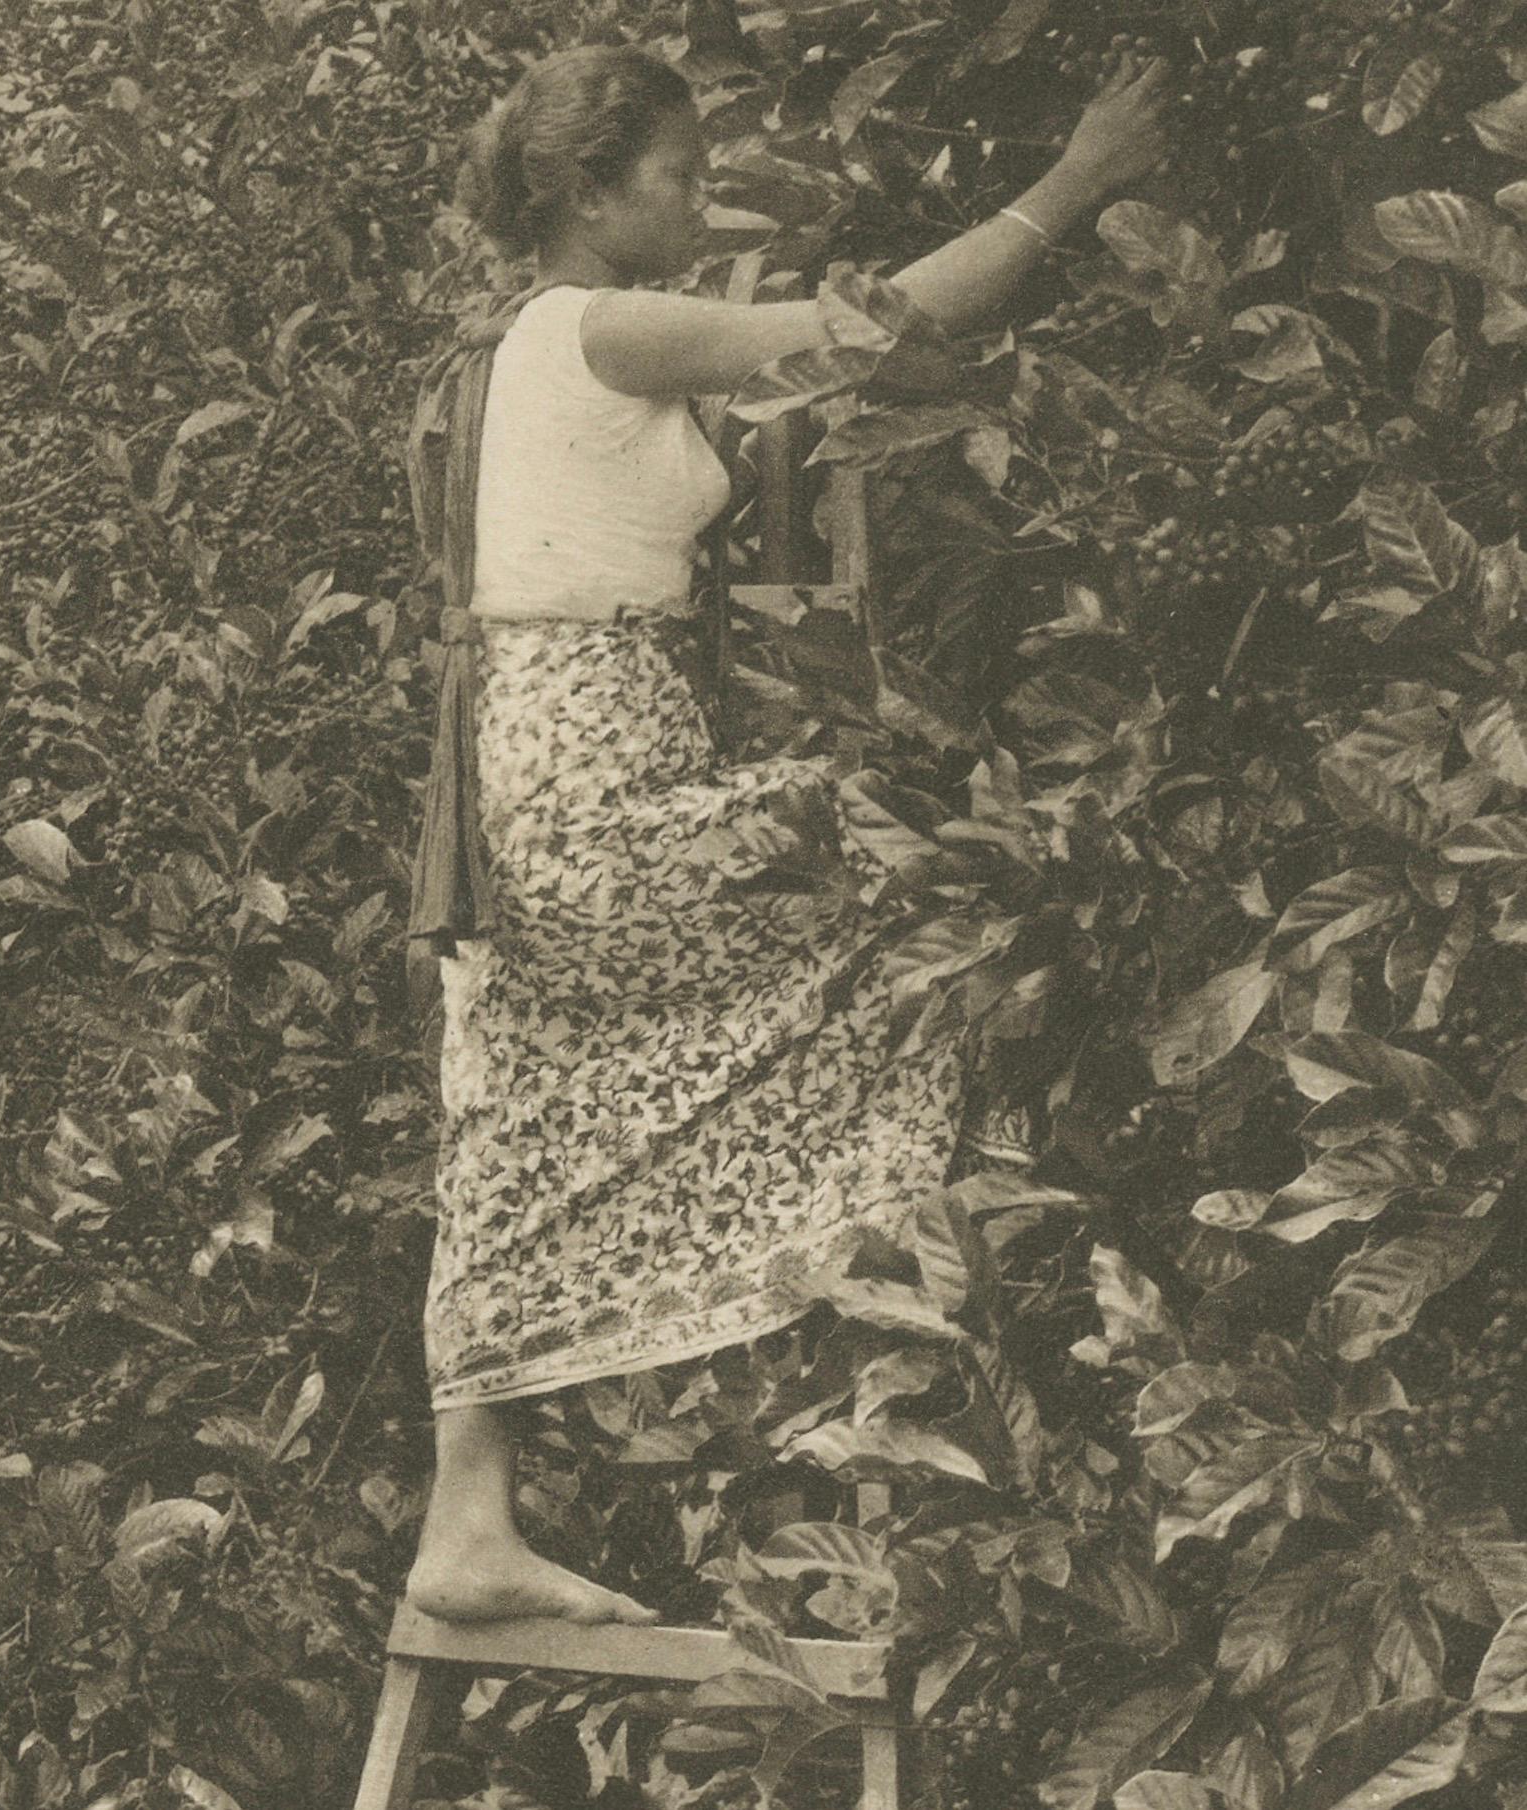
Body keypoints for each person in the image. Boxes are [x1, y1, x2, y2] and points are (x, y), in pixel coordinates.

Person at [401, 45, 1172, 1625]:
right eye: (675, 178)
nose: (699, 201)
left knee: (516, 1093)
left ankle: (464, 1517)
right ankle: (903, 1334)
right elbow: (863, 334)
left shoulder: (511, 346)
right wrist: (1077, 182)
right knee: (907, 864)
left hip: (523, 777)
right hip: (585, 763)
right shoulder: (604, 324)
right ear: (584, 190)